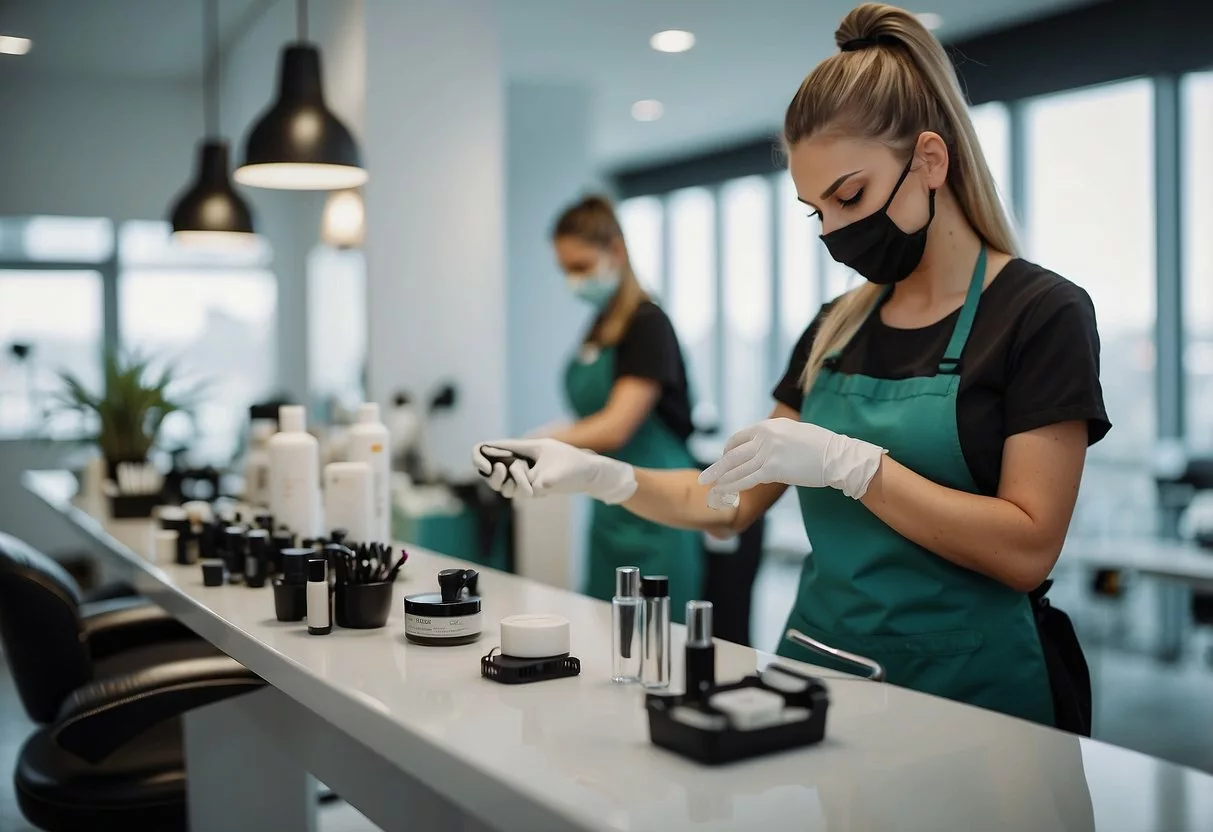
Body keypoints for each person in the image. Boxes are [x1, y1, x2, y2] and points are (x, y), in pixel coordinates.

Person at [474, 3, 1110, 731]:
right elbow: (730, 501)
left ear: (929, 161)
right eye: (816, 212)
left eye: (850, 196)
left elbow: (1026, 548)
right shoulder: (834, 330)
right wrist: (597, 474)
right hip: (823, 674)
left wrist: (855, 466)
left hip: (971, 694)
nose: (836, 233)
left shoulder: (1039, 314)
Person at [492, 195, 703, 620]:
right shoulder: (601, 327)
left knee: (659, 636)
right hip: (610, 507)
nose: (573, 280)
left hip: (660, 506)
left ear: (617, 252)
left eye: (581, 267)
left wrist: (538, 441)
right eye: (565, 270)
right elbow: (591, 420)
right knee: (605, 632)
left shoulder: (647, 324)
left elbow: (616, 426)